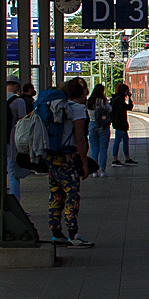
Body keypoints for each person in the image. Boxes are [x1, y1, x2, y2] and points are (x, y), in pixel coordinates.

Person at [47, 77, 94, 248]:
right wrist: (84, 163)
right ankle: (73, 233)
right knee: (72, 194)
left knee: (56, 194)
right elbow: (79, 138)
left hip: (53, 157)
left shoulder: (59, 106)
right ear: (83, 93)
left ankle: (55, 232)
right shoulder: (78, 109)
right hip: (68, 158)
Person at [5, 78, 28, 202]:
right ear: (17, 87)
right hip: (13, 138)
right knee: (13, 172)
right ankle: (15, 204)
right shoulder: (19, 101)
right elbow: (22, 121)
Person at [87, 83, 113, 177]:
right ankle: (102, 170)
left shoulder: (89, 102)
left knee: (94, 149)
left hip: (92, 125)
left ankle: (94, 171)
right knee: (103, 149)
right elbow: (110, 110)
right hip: (103, 126)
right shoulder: (103, 101)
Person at [110, 82, 135, 166]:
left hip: (120, 123)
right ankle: (115, 159)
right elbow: (129, 107)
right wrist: (130, 98)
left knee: (125, 140)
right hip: (120, 123)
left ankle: (127, 158)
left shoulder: (116, 98)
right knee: (118, 141)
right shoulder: (120, 99)